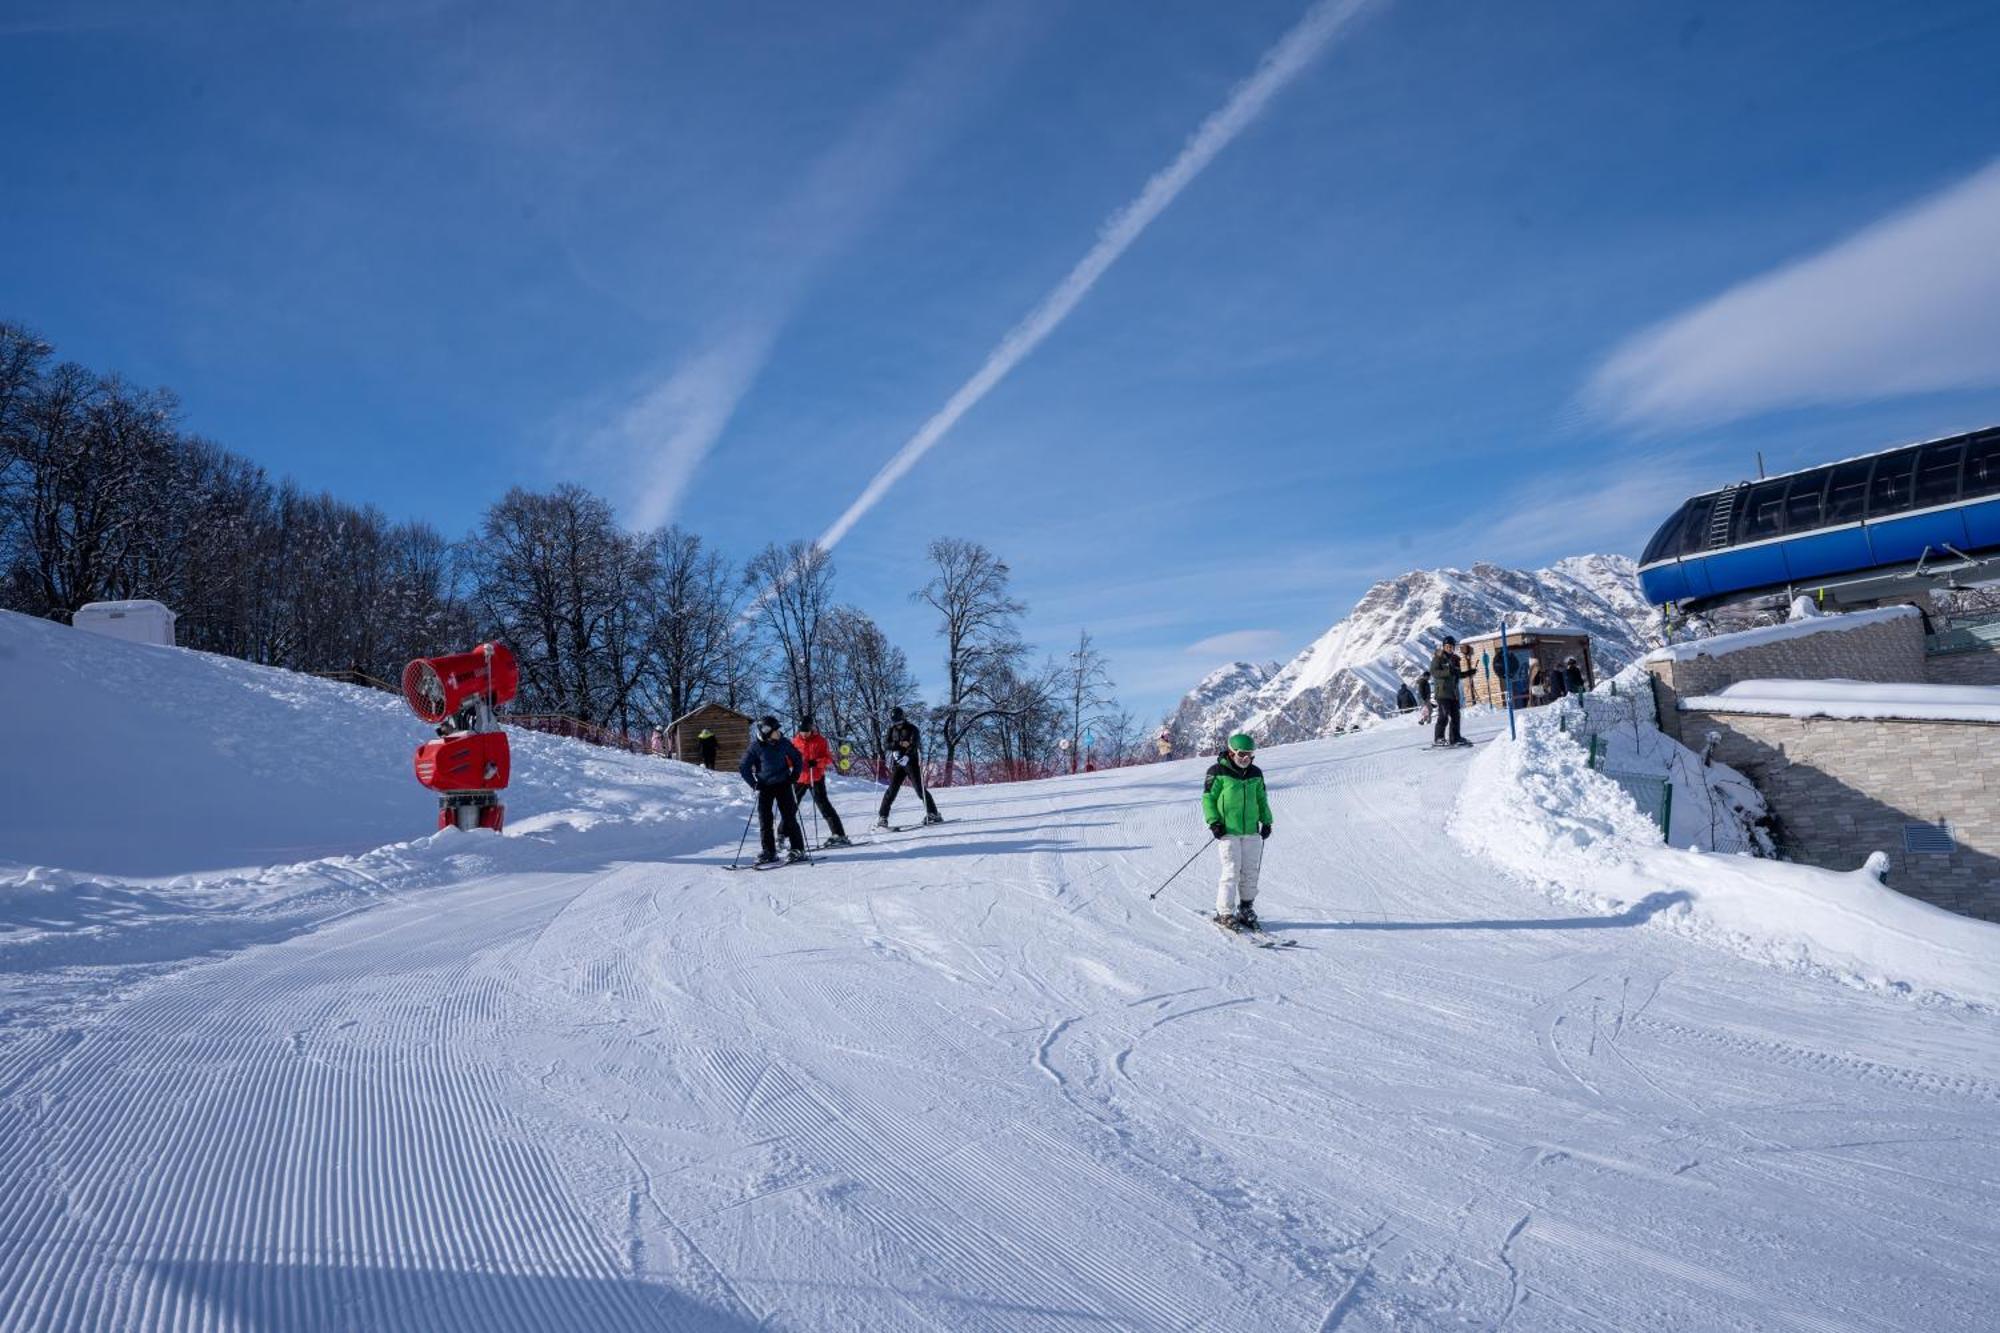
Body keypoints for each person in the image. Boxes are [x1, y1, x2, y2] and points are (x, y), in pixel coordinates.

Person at [1202, 733, 1273, 929]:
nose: (1245, 759)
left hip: (1251, 830)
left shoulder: (1256, 773)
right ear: (1232, 752)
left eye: (1249, 755)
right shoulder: (1217, 771)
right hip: (1228, 830)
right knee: (1231, 870)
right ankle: (1224, 911)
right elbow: (1208, 799)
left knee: (1250, 871)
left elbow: (1261, 799)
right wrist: (1214, 822)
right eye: (1241, 754)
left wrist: (1267, 821)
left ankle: (1246, 908)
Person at [739, 715, 809, 865]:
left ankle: (798, 849)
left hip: (784, 783)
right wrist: (754, 784)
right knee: (765, 820)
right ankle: (769, 852)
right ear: (766, 731)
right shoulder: (755, 747)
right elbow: (743, 767)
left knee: (789, 817)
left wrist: (794, 776)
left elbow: (797, 758)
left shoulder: (783, 742)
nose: (779, 732)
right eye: (776, 730)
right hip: (765, 786)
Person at [875, 706, 943, 829]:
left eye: (899, 721)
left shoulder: (912, 729)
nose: (897, 724)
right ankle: (883, 817)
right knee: (892, 790)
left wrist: (907, 756)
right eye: (895, 722)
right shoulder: (892, 730)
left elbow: (914, 744)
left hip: (911, 762)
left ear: (903, 718)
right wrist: (898, 745)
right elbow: (886, 745)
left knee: (919, 789)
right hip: (898, 763)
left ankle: (933, 814)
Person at [791, 715, 852, 847]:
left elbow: (828, 759)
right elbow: (789, 760)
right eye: (802, 731)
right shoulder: (794, 742)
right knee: (790, 807)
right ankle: (781, 835)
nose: (804, 734)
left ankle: (839, 834)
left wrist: (817, 762)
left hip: (816, 777)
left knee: (824, 805)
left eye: (806, 731)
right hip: (800, 778)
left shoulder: (820, 741)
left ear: (811, 728)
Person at [1430, 636, 1475, 747]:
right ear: (1444, 646)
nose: (1449, 648)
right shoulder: (1438, 658)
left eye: (1451, 646)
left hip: (1453, 693)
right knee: (1444, 716)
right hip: (1442, 693)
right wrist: (1447, 672)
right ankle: (1439, 738)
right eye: (1447, 646)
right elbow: (1434, 672)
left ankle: (1455, 738)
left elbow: (1458, 674)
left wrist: (1469, 673)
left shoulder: (1455, 659)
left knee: (1456, 716)